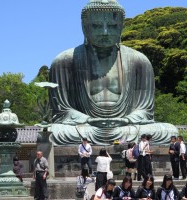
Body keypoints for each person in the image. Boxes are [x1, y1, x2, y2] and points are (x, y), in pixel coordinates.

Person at [48, 0, 178, 146]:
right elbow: (61, 111)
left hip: (126, 127)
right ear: (84, 28)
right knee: (51, 132)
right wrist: (87, 120)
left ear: (121, 27)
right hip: (86, 127)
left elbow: (145, 110)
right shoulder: (65, 61)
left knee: (169, 131)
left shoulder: (139, 61)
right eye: (97, 26)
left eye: (112, 26)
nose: (105, 32)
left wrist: (128, 119)